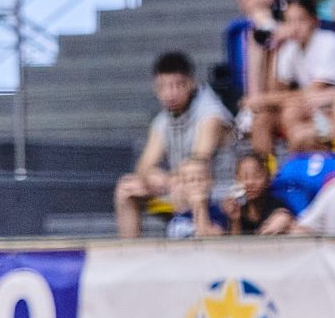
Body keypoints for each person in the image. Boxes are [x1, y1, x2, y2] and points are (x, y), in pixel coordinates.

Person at [115, 52, 234, 237]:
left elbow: (198, 162)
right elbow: (144, 165)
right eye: (163, 87)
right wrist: (153, 176)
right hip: (179, 184)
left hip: (217, 189)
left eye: (177, 85)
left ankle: (195, 243)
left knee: (185, 186)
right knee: (126, 189)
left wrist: (170, 180)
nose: (170, 93)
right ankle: (130, 252)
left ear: (191, 83)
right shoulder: (163, 120)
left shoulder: (211, 114)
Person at [249, 0, 335, 156]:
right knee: (262, 119)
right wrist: (275, 47)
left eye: (300, 20)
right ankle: (264, 169)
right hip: (309, 109)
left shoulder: (329, 41)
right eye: (289, 21)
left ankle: (299, 166)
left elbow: (314, 92)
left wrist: (264, 100)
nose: (295, 27)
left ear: (314, 21)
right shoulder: (290, 47)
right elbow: (276, 90)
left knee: (291, 112)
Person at [228, 150, 295, 235]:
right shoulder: (239, 212)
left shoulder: (277, 207)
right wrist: (235, 221)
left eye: (256, 176)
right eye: (244, 177)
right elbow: (235, 242)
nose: (250, 182)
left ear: (268, 179)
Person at [163, 156, 227, 240]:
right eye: (191, 180)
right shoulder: (177, 215)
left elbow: (208, 240)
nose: (196, 184)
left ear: (211, 182)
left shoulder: (217, 212)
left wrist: (200, 207)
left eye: (201, 179)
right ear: (182, 185)